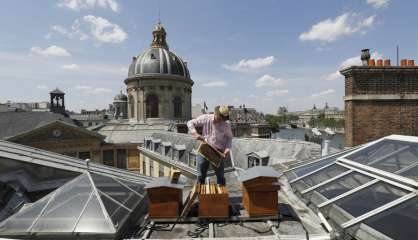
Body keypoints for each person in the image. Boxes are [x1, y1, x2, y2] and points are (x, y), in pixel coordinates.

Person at [187, 106, 232, 185]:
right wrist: (195, 133)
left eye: (222, 119)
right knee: (200, 175)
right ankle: (201, 194)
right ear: (215, 113)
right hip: (205, 149)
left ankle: (221, 196)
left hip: (218, 152)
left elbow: (229, 138)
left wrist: (227, 149)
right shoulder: (205, 118)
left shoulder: (226, 124)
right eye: (219, 118)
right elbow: (190, 123)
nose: (220, 121)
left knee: (220, 176)